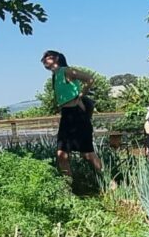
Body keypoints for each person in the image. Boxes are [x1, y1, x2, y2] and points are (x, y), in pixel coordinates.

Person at [41, 50, 103, 180]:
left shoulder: (67, 71)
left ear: (57, 58)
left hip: (77, 114)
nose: (44, 59)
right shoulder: (55, 76)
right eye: (44, 58)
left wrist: (81, 95)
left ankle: (109, 182)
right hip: (66, 116)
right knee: (61, 154)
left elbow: (90, 79)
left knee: (87, 155)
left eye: (48, 57)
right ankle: (68, 188)